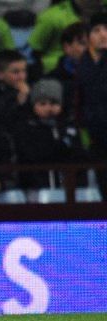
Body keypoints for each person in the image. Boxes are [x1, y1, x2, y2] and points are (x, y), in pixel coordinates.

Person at [76, 11, 107, 200]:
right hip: (90, 138)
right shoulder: (79, 66)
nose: (103, 34)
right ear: (88, 36)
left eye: (106, 29)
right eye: (97, 30)